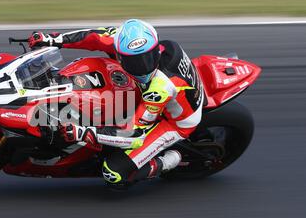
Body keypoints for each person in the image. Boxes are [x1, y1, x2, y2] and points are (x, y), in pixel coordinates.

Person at [28, 19, 204, 189]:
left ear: (156, 49)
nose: (142, 67)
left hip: (176, 121)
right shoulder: (129, 42)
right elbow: (92, 37)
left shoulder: (159, 88)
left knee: (114, 174)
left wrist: (86, 132)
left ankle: (169, 161)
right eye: (133, 61)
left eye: (147, 58)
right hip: (165, 94)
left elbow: (133, 134)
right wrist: (53, 39)